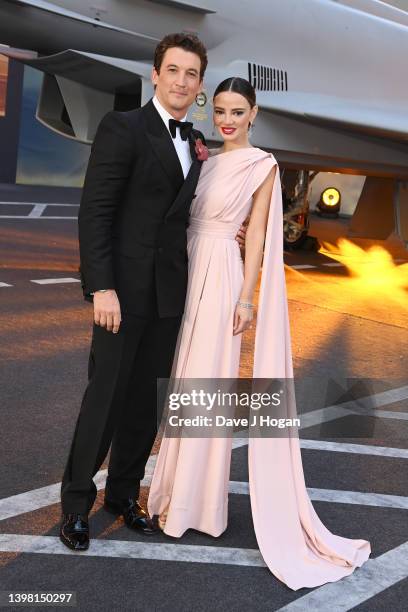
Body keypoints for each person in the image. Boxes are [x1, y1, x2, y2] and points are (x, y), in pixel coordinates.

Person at [147, 77, 372, 590]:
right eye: (221, 110)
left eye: (238, 111)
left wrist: (247, 298)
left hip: (225, 273)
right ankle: (169, 494)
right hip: (186, 271)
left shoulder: (262, 165)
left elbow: (259, 238)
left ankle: (198, 507)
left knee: (207, 383)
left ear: (255, 113)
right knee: (184, 382)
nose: (227, 120)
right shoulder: (203, 157)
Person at [59, 32, 245, 551]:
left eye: (192, 74)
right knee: (105, 400)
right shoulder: (124, 127)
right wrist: (101, 287)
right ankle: (76, 505)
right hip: (121, 296)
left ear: (200, 85)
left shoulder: (200, 143)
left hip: (171, 297)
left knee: (145, 405)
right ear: (155, 75)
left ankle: (122, 497)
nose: (182, 81)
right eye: (174, 71)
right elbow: (95, 212)